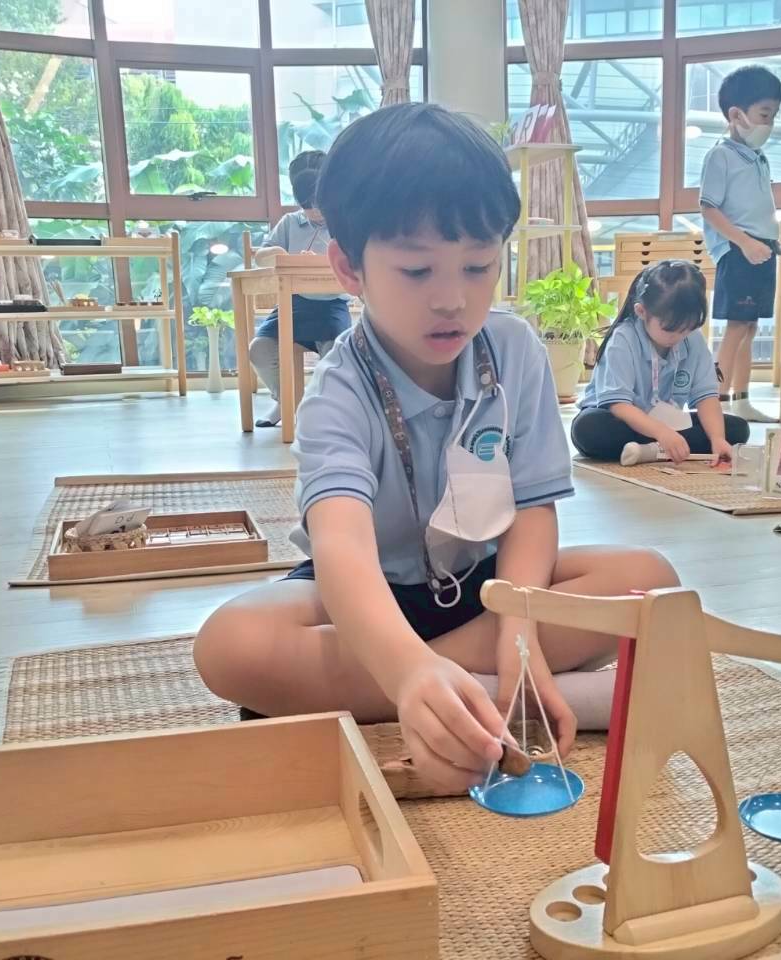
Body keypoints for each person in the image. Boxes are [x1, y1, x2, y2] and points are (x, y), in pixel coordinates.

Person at [194, 103, 679, 793]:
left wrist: (517, 629)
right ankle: (481, 692)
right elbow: (342, 549)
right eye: (418, 271)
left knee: (650, 578)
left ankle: (447, 691)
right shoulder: (339, 388)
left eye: (479, 266)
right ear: (349, 267)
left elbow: (533, 511)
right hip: (366, 597)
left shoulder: (514, 351)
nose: (453, 299)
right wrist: (406, 667)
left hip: (487, 588)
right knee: (230, 644)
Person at [572, 261, 749, 464]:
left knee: (737, 429)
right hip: (621, 419)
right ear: (641, 312)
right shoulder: (623, 339)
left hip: (668, 423)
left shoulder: (693, 339)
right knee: (587, 429)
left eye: (687, 328)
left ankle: (648, 450)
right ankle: (663, 447)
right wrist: (661, 432)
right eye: (669, 329)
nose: (679, 336)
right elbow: (618, 406)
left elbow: (706, 398)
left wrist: (717, 439)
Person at [699, 65, 781, 424]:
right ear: (736, 115)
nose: (769, 124)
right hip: (738, 252)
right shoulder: (720, 156)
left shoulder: (758, 158)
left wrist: (775, 246)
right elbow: (709, 208)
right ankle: (716, 401)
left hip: (760, 250)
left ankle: (741, 400)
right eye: (764, 115)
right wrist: (743, 243)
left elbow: (758, 212)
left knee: (750, 327)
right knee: (737, 326)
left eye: (773, 115)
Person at [247, 152, 352, 427]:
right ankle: (287, 402)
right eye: (306, 206)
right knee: (259, 349)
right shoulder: (290, 223)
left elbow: (357, 262)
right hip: (292, 304)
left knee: (338, 353)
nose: (314, 212)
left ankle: (323, 408)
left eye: (318, 204)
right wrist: (280, 255)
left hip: (331, 306)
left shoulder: (344, 224)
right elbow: (261, 256)